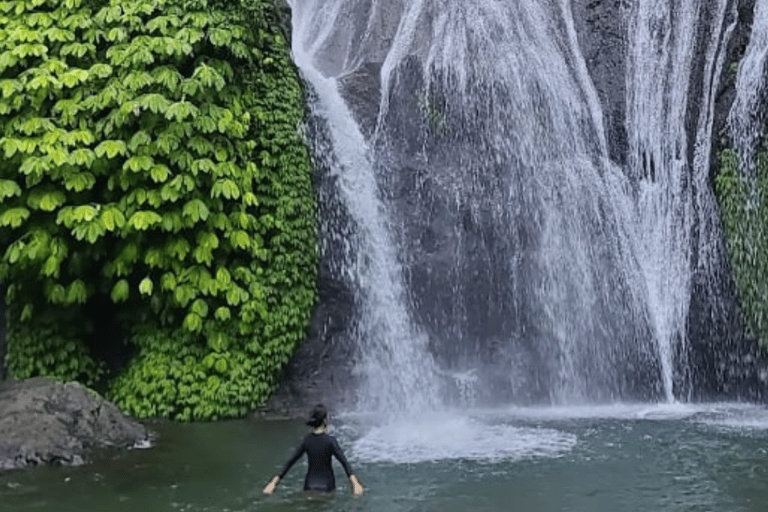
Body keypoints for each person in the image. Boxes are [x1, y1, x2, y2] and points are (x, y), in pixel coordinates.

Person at [262, 404, 364, 496]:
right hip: (327, 487)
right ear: (325, 421)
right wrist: (355, 484)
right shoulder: (330, 441)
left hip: (309, 487)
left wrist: (273, 483)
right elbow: (344, 462)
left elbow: (290, 462)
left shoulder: (307, 441)